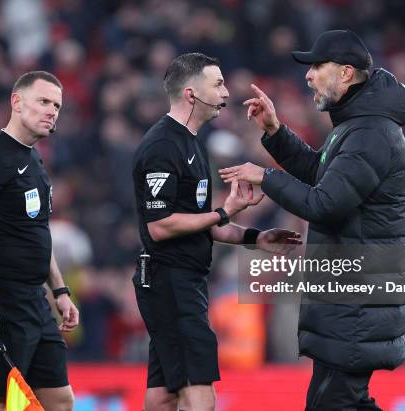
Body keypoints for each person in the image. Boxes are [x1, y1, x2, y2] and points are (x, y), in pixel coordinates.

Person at [220, 30, 405, 410]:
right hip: (351, 301)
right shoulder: (358, 125)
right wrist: (276, 134)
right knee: (343, 402)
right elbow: (322, 174)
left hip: (356, 302)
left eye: (316, 66)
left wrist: (266, 177)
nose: (307, 75)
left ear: (345, 73)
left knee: (334, 404)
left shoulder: (370, 132)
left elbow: (326, 203)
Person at [132, 52, 302, 411]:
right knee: (199, 389)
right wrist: (225, 210)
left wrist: (256, 238)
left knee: (163, 391)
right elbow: (161, 227)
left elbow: (201, 224)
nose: (227, 92)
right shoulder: (163, 146)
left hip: (181, 281)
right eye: (219, 83)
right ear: (192, 93)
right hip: (170, 281)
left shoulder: (193, 142)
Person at [0, 71, 78, 411]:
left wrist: (59, 291)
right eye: (44, 102)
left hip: (35, 302)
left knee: (60, 399)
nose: (51, 111)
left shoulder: (35, 159)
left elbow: (38, 234)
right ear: (17, 101)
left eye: (56, 105)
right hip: (3, 301)